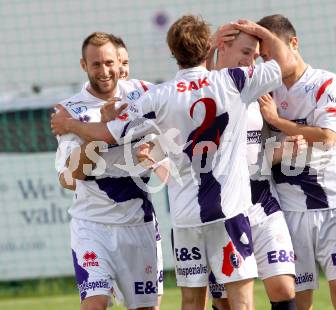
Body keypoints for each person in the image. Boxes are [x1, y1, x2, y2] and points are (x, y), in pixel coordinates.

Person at [51, 15, 297, 310]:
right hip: (229, 211)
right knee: (240, 301)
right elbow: (287, 63)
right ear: (209, 47)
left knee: (192, 302)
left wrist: (70, 124)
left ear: (172, 52)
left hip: (185, 218)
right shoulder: (232, 81)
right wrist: (259, 31)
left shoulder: (158, 96)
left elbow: (107, 133)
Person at [256, 14, 336, 310]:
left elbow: (327, 137)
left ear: (294, 43)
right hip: (288, 209)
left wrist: (278, 121)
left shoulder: (326, 82)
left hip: (333, 204)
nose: (269, 64)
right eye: (263, 58)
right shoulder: (263, 91)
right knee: (299, 299)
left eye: (272, 54)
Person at [54, 32, 162, 310]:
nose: (105, 71)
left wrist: (156, 154)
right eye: (96, 65)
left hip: (138, 224)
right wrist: (99, 133)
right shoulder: (70, 111)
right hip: (92, 226)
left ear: (120, 62)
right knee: (95, 303)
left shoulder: (145, 94)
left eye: (110, 63)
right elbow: (69, 178)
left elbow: (175, 128)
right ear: (83, 65)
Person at [204, 27, 304, 310]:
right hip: (221, 210)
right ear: (222, 48)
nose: (251, 61)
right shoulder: (205, 89)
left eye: (256, 56)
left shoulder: (257, 88)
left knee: (283, 287)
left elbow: (289, 62)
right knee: (225, 302)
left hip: (261, 200)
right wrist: (210, 45)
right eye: (246, 52)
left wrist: (283, 148)